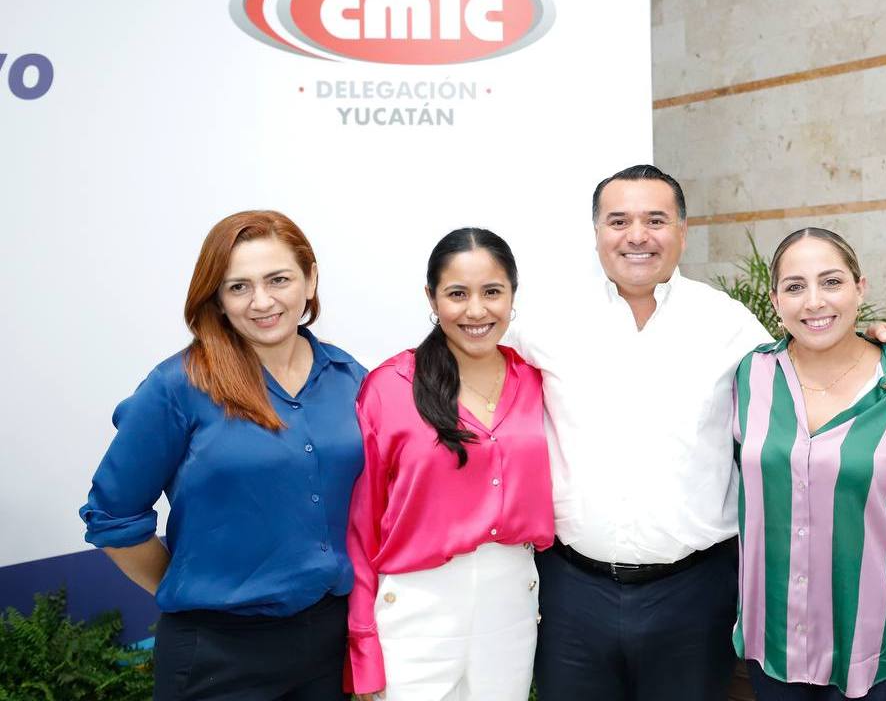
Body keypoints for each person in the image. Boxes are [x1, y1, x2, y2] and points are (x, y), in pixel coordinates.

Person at [508, 165, 886, 701]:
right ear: (597, 233)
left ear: (683, 232)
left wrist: (885, 337)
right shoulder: (543, 323)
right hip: (573, 593)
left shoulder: (729, 325)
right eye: (619, 221)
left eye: (656, 220)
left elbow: (810, 350)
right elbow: (479, 375)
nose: (637, 235)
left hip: (692, 595)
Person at [79, 210, 367, 701]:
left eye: (278, 280)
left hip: (329, 644)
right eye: (239, 287)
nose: (262, 301)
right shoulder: (176, 386)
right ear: (217, 297)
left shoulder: (350, 378)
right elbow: (112, 517)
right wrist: (192, 586)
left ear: (310, 278)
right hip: (217, 654)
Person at [733, 228, 886, 701]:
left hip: (884, 648)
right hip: (775, 642)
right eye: (795, 286)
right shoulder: (751, 375)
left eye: (831, 282)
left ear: (859, 288)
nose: (814, 301)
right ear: (775, 301)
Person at [346, 228, 554, 701]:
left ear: (513, 295)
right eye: (457, 294)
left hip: (512, 606)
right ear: (432, 298)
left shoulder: (537, 380)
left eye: (492, 292)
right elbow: (361, 526)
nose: (476, 311)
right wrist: (362, 645)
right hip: (416, 610)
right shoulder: (390, 386)